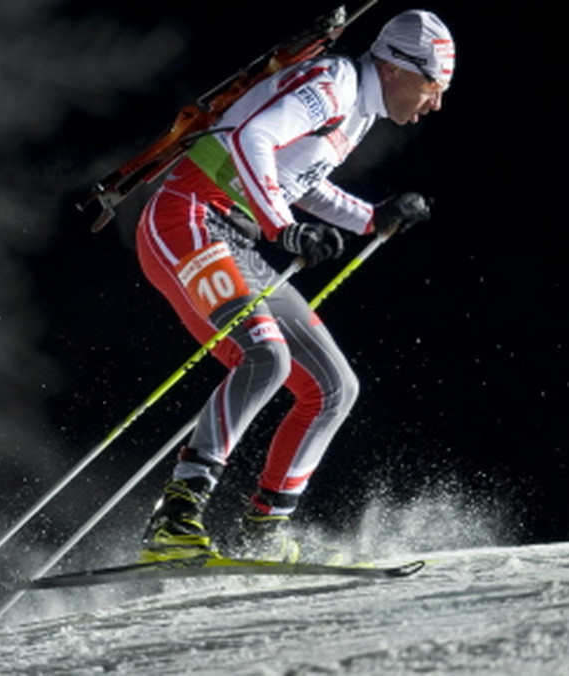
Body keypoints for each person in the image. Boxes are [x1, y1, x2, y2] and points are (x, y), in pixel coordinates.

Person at [134, 9, 455, 563]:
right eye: (434, 86)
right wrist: (285, 230)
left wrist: (372, 218)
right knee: (266, 356)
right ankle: (175, 517)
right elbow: (252, 138)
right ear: (400, 69)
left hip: (232, 237)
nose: (436, 103)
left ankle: (263, 528)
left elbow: (298, 183)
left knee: (334, 387)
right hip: (185, 219)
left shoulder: (358, 109)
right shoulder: (335, 85)